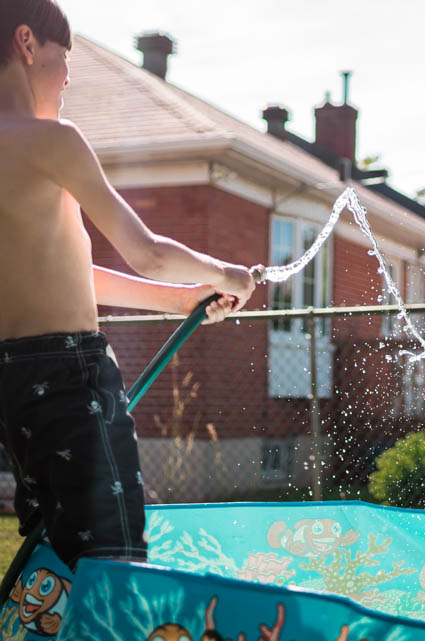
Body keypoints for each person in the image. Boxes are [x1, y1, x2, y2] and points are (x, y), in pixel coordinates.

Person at [0, 0, 256, 569]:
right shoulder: (53, 141)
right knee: (112, 559)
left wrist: (180, 300)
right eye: (63, 58)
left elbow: (64, 275)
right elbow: (147, 253)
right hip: (72, 377)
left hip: (12, 387)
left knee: (57, 557)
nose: (68, 77)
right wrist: (223, 273)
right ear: (26, 44)